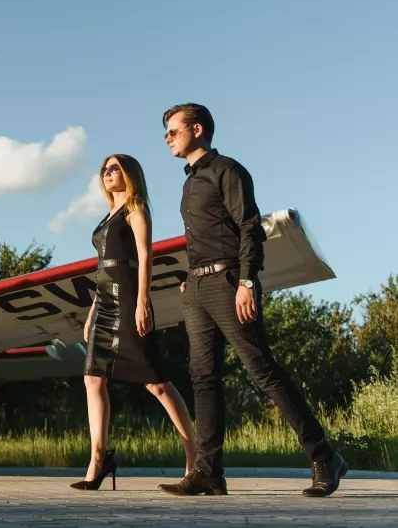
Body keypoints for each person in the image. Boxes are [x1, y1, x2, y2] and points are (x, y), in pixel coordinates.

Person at [158, 103, 345, 497]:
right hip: (196, 288)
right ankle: (209, 472)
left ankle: (324, 456)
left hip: (229, 283)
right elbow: (202, 237)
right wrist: (190, 278)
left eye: (172, 131)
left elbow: (249, 227)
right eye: (166, 134)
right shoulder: (189, 182)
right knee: (203, 378)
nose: (167, 139)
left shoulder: (228, 170)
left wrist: (246, 281)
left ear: (197, 128)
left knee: (262, 369)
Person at [72, 154, 197, 491]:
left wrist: (143, 302)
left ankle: (195, 458)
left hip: (128, 299)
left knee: (155, 382)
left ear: (130, 174)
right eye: (104, 169)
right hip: (105, 301)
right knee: (93, 379)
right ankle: (97, 459)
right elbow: (103, 265)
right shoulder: (107, 216)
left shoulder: (136, 209)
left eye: (114, 168)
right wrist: (92, 311)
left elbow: (144, 257)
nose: (107, 173)